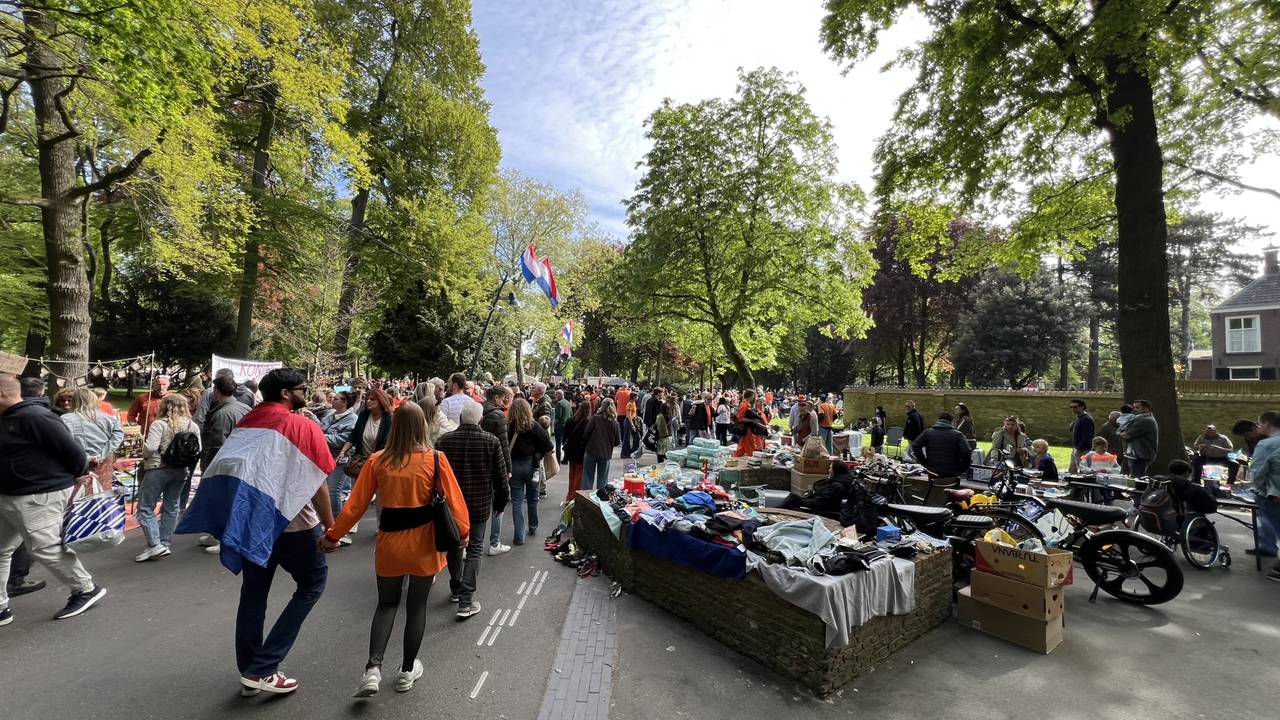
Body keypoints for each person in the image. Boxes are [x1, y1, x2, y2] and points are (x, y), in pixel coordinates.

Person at [176, 368, 336, 695]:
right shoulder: (301, 425)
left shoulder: (248, 422)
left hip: (252, 523)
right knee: (312, 584)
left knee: (254, 594)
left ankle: (250, 668)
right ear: (286, 393)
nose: (306, 392)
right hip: (293, 524)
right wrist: (331, 527)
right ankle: (263, 667)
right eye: (302, 388)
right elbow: (318, 481)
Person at [320, 401, 468, 696]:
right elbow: (455, 501)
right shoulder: (435, 459)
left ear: (395, 426)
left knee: (387, 604)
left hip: (390, 543)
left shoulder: (377, 461)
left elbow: (355, 506)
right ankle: (406, 671)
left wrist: (333, 535)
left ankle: (372, 669)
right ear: (422, 426)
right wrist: (463, 532)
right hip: (424, 544)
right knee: (416, 607)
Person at [0, 374, 106, 625]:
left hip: (37, 494)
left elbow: (74, 453)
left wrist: (77, 477)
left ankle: (85, 588)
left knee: (44, 547)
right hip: (12, 494)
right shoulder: (10, 418)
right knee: (2, 550)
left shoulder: (35, 417)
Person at [438, 400, 507, 618]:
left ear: (460, 419)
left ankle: (456, 586)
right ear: (481, 420)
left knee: (454, 547)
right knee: (475, 548)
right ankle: (466, 600)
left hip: (451, 506)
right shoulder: (491, 441)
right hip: (479, 504)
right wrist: (500, 503)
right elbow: (501, 478)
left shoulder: (444, 441)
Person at [135, 394, 202, 562]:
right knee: (171, 506)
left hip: (158, 468)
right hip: (181, 470)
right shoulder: (192, 425)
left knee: (145, 507)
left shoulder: (159, 424)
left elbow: (150, 448)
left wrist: (145, 455)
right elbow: (198, 448)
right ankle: (165, 543)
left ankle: (154, 543)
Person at [333, 387, 393, 545]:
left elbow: (388, 445)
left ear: (381, 401)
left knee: (381, 500)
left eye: (372, 399)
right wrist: (343, 451)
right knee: (356, 498)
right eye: (367, 398)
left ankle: (382, 528)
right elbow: (353, 436)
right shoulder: (364, 415)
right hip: (361, 463)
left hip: (381, 465)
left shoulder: (389, 419)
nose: (368, 401)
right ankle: (348, 529)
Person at [505, 397, 554, 546]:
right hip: (532, 466)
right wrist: (537, 455)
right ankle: (533, 526)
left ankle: (519, 536)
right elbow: (548, 445)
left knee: (517, 501)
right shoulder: (534, 426)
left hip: (514, 465)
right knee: (533, 498)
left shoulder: (508, 426)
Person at [60, 388, 124, 491]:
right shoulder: (109, 418)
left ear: (75, 401)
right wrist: (102, 454)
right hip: (103, 461)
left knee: (79, 496)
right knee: (102, 493)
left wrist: (87, 457)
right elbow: (117, 436)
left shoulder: (65, 419)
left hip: (79, 463)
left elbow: (65, 443)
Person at [481, 384, 513, 556]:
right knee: (499, 504)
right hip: (495, 465)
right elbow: (503, 445)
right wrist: (508, 468)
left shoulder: (479, 411)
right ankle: (494, 542)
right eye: (502, 398)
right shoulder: (498, 416)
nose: (504, 402)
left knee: (477, 505)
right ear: (496, 398)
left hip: (479, 464)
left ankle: (469, 544)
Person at [908, 412, 972, 478]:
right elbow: (966, 451)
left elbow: (915, 446)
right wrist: (963, 468)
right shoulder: (958, 435)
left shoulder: (928, 433)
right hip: (952, 472)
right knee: (950, 484)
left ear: (938, 420)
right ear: (952, 422)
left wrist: (924, 463)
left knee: (933, 484)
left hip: (933, 471)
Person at [581, 398, 622, 491]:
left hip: (591, 450)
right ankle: (600, 497)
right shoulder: (615, 424)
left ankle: (585, 497)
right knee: (602, 480)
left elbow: (586, 434)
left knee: (587, 478)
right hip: (606, 453)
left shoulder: (595, 418)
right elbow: (617, 442)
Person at [562, 400, 593, 501]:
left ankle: (569, 495)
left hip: (570, 451)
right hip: (581, 452)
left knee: (571, 474)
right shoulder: (588, 422)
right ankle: (573, 497)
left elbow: (564, 437)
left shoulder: (570, 421)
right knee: (579, 476)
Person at [1121, 399, 1158, 478]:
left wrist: (1121, 432)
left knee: (1137, 479)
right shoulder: (1143, 418)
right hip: (1136, 453)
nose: (1134, 410)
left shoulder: (1144, 420)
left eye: (1137, 408)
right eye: (1134, 407)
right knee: (1128, 476)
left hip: (1140, 455)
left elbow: (1125, 435)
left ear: (1146, 409)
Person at [733, 394, 770, 458]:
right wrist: (761, 425)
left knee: (744, 445)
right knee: (749, 445)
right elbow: (741, 418)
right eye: (760, 402)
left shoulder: (761, 411)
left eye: (762, 402)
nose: (761, 403)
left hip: (755, 430)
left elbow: (763, 420)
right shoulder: (749, 408)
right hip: (751, 430)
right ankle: (749, 457)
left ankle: (739, 456)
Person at [1068, 399, 1095, 473]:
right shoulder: (1079, 418)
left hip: (1083, 449)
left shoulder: (1086, 419)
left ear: (1082, 407)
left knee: (1083, 470)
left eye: (1075, 407)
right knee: (1072, 470)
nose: (1073, 409)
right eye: (1071, 407)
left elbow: (1087, 437)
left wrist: (1079, 449)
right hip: (1077, 447)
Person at [552, 389, 572, 463]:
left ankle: (558, 460)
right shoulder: (568, 402)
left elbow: (558, 416)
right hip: (567, 425)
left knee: (558, 443)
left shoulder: (559, 403)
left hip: (560, 425)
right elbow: (571, 414)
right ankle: (565, 459)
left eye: (556, 394)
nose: (555, 396)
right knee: (565, 443)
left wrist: (554, 423)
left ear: (559, 395)